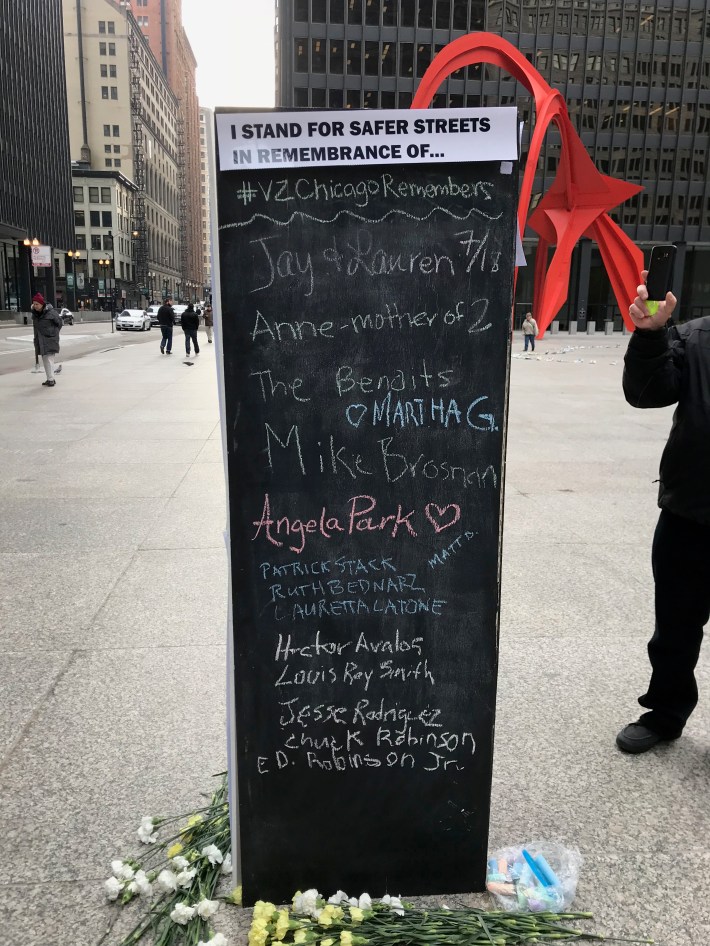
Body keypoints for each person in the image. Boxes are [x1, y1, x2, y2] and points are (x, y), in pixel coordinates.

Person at [616, 270, 708, 753]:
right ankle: (665, 712)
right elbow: (646, 392)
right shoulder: (694, 338)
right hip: (691, 513)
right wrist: (650, 335)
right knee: (674, 627)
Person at [30, 293, 63, 387]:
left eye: (37, 304)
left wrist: (53, 333)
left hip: (50, 339)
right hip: (40, 339)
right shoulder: (35, 314)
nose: (35, 306)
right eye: (34, 304)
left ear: (42, 304)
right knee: (45, 359)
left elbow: (59, 323)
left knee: (49, 358)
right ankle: (50, 378)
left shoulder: (51, 312)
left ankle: (51, 379)